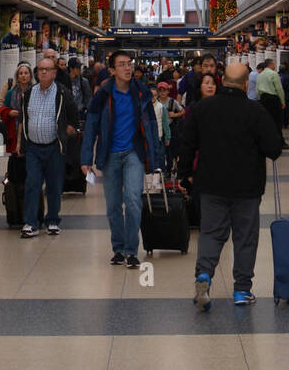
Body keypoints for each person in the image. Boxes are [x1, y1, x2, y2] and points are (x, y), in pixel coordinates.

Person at [172, 61, 282, 310]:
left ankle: (204, 275)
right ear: (246, 84)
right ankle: (242, 290)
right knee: (245, 237)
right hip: (247, 187)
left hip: (210, 184)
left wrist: (185, 174)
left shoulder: (202, 108)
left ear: (222, 81)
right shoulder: (255, 111)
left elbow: (186, 143)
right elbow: (273, 148)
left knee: (211, 233)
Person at [80, 48, 163, 267]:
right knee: (113, 205)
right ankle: (118, 248)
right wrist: (86, 158)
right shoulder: (103, 95)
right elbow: (91, 127)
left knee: (134, 201)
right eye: (122, 64)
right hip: (110, 155)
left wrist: (156, 159)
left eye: (129, 63)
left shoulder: (141, 92)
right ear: (112, 70)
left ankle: (131, 250)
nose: (128, 68)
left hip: (134, 153)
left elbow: (152, 127)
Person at [17, 54, 81, 238]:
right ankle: (30, 222)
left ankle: (52, 220)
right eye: (40, 69)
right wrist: (21, 143)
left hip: (55, 147)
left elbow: (73, 117)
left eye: (47, 69)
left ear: (54, 73)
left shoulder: (62, 93)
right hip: (34, 148)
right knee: (32, 184)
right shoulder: (29, 93)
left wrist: (69, 129)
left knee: (54, 185)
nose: (43, 72)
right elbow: (23, 118)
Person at [152, 80, 186, 173]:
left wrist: (174, 115)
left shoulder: (172, 102)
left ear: (168, 91)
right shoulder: (155, 101)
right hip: (159, 129)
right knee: (160, 151)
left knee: (170, 149)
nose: (162, 92)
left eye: (165, 90)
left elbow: (183, 111)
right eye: (160, 90)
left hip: (170, 127)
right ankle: (162, 169)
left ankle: (170, 167)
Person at [1, 62, 32, 155]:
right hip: (14, 128)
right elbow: (3, 108)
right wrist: (9, 112)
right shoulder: (11, 92)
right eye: (21, 73)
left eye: (26, 73)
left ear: (30, 76)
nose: (23, 76)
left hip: (30, 128)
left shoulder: (35, 91)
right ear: (17, 77)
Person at [256, 59, 284, 134]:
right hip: (273, 99)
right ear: (270, 65)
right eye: (274, 64)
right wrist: (282, 101)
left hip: (263, 99)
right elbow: (279, 89)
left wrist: (260, 98)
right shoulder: (274, 74)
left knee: (266, 119)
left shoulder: (260, 75)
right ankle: (279, 140)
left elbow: (257, 89)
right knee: (277, 120)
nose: (274, 66)